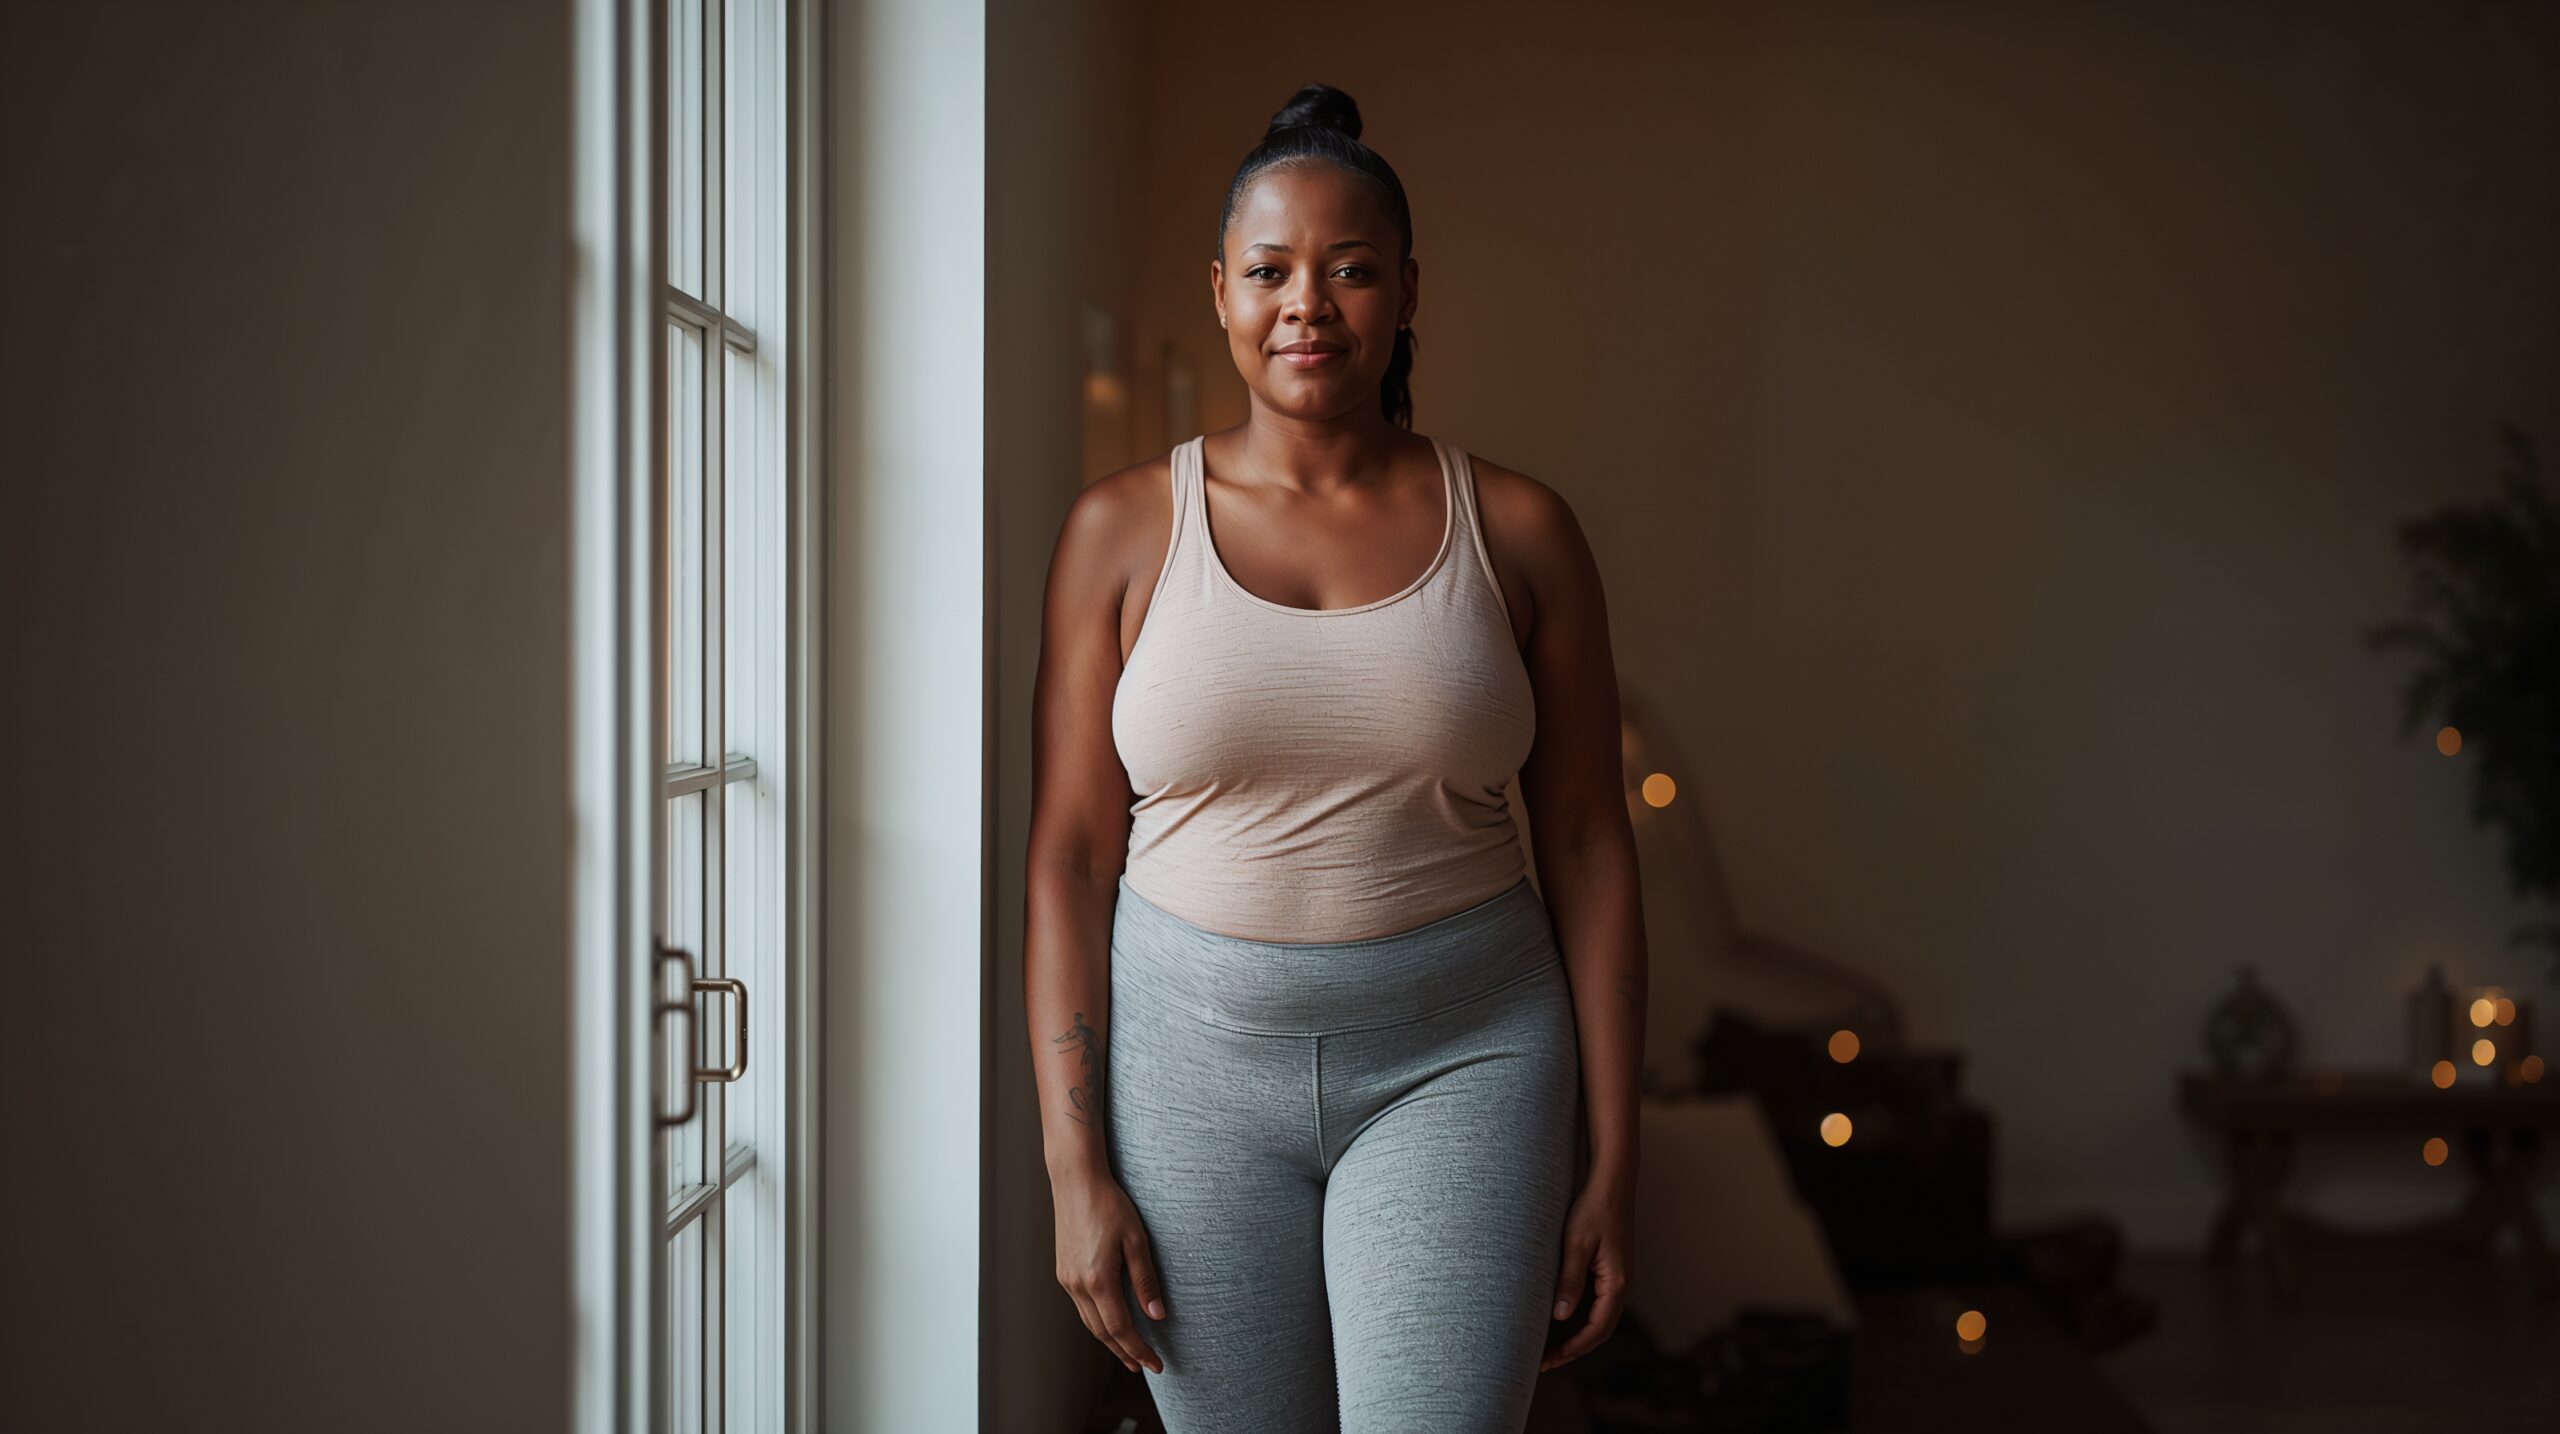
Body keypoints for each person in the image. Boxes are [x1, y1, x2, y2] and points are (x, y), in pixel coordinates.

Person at [1026, 80, 1647, 1433]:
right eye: (1272, 270)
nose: (1309, 302)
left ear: (1409, 291)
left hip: (1464, 1060)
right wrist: (1077, 1168)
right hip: (1186, 1075)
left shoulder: (1526, 533)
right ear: (1222, 292)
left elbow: (1593, 842)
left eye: (1352, 269)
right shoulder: (1121, 534)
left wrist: (1617, 1157)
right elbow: (1071, 859)